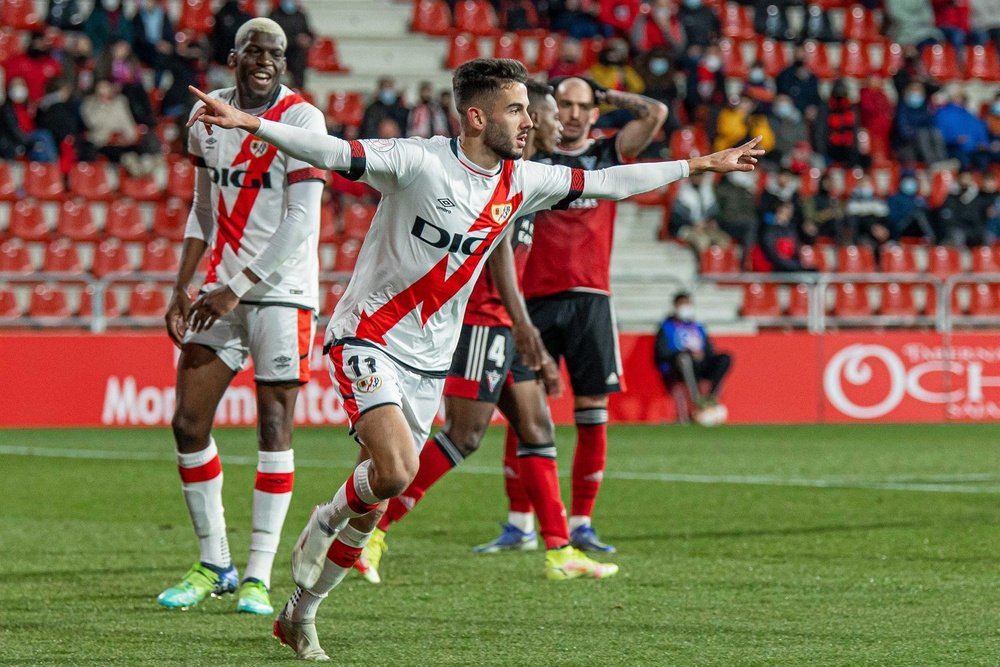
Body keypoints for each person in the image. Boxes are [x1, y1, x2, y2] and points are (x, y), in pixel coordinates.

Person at [184, 57, 763, 659]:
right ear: (476, 116)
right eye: (516, 110)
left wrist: (697, 164)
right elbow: (331, 151)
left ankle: (301, 612)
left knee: (379, 492)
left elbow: (610, 182)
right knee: (397, 471)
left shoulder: (522, 181)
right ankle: (324, 518)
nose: (531, 122)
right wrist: (251, 125)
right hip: (367, 337)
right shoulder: (418, 161)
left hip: (430, 360)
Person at [354, 79, 618, 586]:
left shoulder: (524, 178)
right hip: (482, 319)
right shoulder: (502, 177)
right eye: (540, 113)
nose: (547, 123)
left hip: (507, 322)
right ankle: (375, 531)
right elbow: (497, 253)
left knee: (538, 430)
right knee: (464, 435)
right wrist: (525, 326)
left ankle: (560, 549)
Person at [155, 18, 326, 619]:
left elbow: (301, 224)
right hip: (218, 292)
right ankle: (215, 562)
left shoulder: (302, 120)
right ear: (234, 56)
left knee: (274, 428)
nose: (265, 60)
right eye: (255, 50)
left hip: (282, 293)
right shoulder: (206, 115)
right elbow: (203, 210)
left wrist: (235, 288)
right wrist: (183, 285)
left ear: (284, 62)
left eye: (275, 53)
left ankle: (257, 574)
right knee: (186, 423)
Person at [507, 76, 667, 554]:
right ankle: (520, 525)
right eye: (565, 106)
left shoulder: (607, 157)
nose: (574, 114)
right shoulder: (534, 156)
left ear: (594, 112)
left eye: (583, 106)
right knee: (522, 414)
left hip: (592, 298)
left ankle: (581, 523)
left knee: (592, 416)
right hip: (531, 301)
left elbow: (654, 114)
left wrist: (607, 94)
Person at [654, 292, 732, 418]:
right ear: (675, 306)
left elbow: (709, 350)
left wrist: (702, 354)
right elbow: (661, 353)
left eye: (687, 304)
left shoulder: (698, 327)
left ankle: (711, 396)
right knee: (684, 359)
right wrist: (684, 353)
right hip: (677, 368)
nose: (685, 308)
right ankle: (696, 399)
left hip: (699, 365)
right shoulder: (667, 327)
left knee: (725, 358)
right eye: (682, 304)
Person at [268, 0, 313, 89]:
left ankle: (298, 89)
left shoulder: (300, 15)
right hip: (279, 51)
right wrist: (295, 40)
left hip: (295, 52)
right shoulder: (274, 15)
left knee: (299, 57)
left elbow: (306, 31)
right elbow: (272, 37)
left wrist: (309, 39)